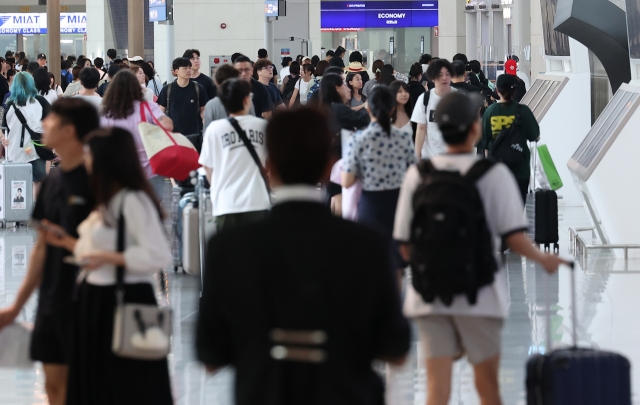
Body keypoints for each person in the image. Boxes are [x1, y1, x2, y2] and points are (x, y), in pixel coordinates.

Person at [196, 107, 411, 404]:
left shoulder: (230, 247)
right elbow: (396, 351)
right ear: (329, 166)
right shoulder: (367, 245)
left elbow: (211, 356)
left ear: (269, 167)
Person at [393, 91, 567, 405]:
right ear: (475, 128)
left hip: (429, 296)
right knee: (487, 388)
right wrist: (544, 258)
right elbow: (514, 238)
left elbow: (404, 244)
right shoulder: (493, 174)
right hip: (480, 294)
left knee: (436, 390)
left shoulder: (418, 175)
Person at [40, 127, 173, 405]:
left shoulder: (134, 200)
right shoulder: (104, 200)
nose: (84, 161)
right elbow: (97, 250)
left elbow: (159, 255)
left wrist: (111, 258)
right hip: (94, 301)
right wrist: (66, 243)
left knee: (123, 386)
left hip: (123, 301)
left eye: (89, 156)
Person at [0, 98, 99, 405]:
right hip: (53, 297)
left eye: (51, 120)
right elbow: (41, 247)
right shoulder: (55, 179)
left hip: (90, 298)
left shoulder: (97, 182)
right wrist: (17, 306)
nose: (44, 124)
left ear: (69, 130)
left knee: (85, 387)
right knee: (54, 387)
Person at [342, 85, 416, 273]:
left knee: (371, 263)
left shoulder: (358, 139)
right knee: (396, 265)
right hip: (399, 204)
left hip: (370, 205)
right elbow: (413, 173)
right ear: (392, 108)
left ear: (368, 109)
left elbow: (347, 181)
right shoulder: (404, 138)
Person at [198, 78, 270, 232]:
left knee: (229, 254)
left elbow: (207, 167)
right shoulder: (263, 127)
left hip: (225, 202)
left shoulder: (214, 129)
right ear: (246, 99)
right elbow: (271, 164)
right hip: (257, 200)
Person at [101, 69, 174, 199]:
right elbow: (168, 125)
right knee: (151, 213)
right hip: (150, 171)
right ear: (136, 88)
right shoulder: (147, 107)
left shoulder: (107, 113)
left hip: (118, 172)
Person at [478, 74, 540, 204]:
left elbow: (483, 142)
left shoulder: (490, 111)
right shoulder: (523, 111)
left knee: (500, 208)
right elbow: (535, 136)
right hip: (520, 167)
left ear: (497, 90)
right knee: (518, 206)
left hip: (497, 168)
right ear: (515, 90)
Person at [1, 72, 50, 185]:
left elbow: (4, 128)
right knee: (39, 182)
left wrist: (3, 138)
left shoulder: (10, 104)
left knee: (17, 184)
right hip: (36, 148)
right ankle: (37, 202)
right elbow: (53, 120)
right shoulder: (40, 101)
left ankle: (20, 203)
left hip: (15, 151)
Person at [157, 57, 208, 147]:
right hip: (173, 136)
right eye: (185, 68)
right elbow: (161, 112)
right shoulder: (167, 90)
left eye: (189, 68)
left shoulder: (198, 88)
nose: (188, 70)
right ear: (176, 71)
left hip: (195, 136)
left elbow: (203, 109)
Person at [411, 58, 456, 159]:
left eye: (447, 74)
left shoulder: (459, 97)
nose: (444, 78)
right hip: (430, 157)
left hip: (453, 157)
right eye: (440, 74)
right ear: (432, 78)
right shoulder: (424, 99)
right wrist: (417, 156)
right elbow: (421, 129)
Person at [203, 64, 257, 129]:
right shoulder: (246, 101)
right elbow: (253, 125)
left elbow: (207, 133)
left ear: (216, 82)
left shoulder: (211, 105)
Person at [234, 55, 273, 119]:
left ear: (252, 71)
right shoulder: (228, 89)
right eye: (240, 70)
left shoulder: (261, 89)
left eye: (246, 70)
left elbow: (267, 115)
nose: (243, 74)